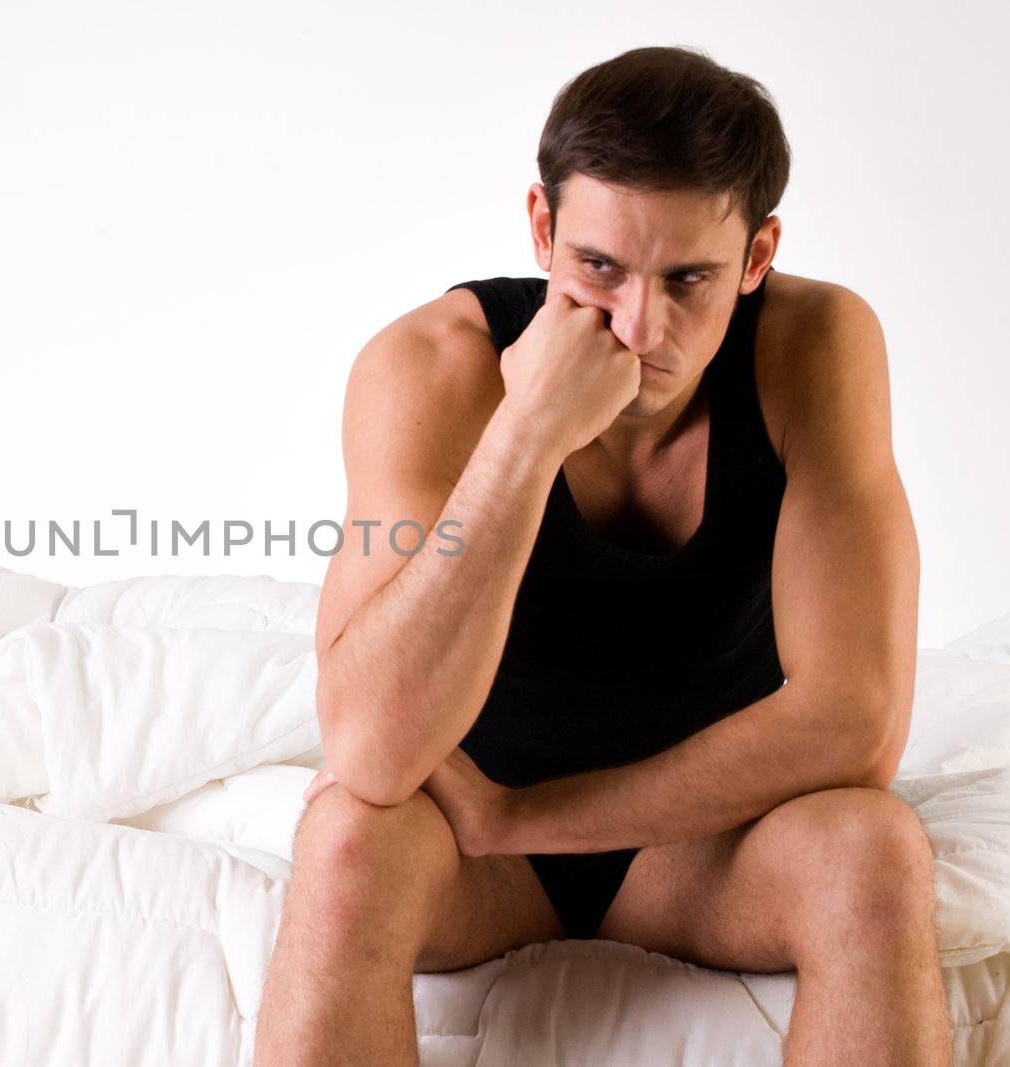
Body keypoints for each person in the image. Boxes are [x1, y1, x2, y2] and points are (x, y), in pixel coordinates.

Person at [253, 46, 951, 1066]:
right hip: (469, 848)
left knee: (874, 849)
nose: (637, 325)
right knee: (345, 840)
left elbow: (855, 723)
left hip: (704, 841)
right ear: (542, 227)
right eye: (597, 269)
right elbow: (365, 747)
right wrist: (526, 433)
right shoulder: (428, 368)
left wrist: (523, 816)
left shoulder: (815, 347)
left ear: (756, 257)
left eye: (689, 279)